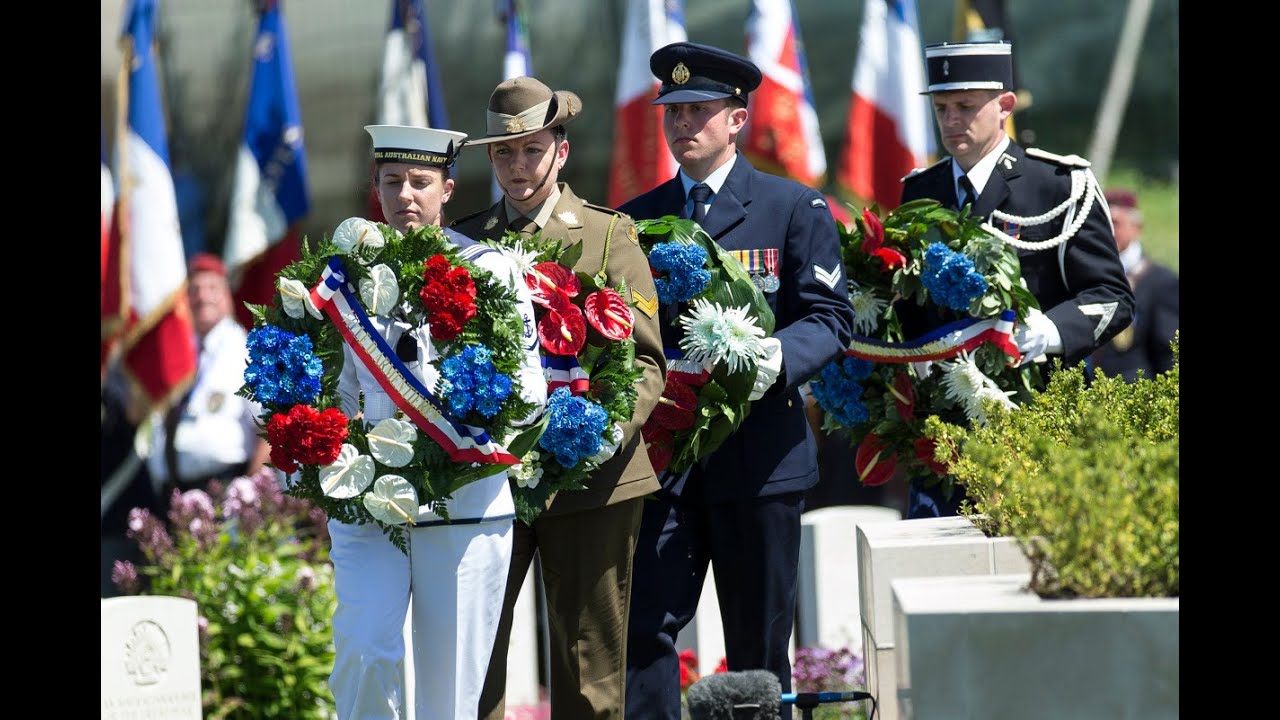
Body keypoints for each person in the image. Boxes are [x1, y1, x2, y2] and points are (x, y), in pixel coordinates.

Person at [617, 42, 857, 720]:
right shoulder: (635, 219)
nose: (682, 125)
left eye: (698, 110)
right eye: (673, 112)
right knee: (645, 634)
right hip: (665, 469)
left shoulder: (792, 208)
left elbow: (829, 318)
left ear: (738, 119)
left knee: (757, 649)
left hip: (759, 462)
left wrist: (763, 361)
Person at [450, 76, 668, 720]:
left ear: (561, 151)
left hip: (592, 481)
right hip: (491, 479)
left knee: (589, 672)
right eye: (504, 154)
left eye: (533, 150)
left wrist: (593, 439)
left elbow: (648, 361)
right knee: (475, 663)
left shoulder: (608, 237)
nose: (519, 167)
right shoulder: (464, 244)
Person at [327, 124, 546, 720]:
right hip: (372, 505)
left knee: (449, 694)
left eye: (421, 182)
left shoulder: (490, 269)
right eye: (392, 182)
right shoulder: (342, 279)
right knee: (364, 652)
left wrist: (465, 431)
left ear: (447, 189)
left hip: (464, 503)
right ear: (376, 189)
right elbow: (340, 391)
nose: (406, 196)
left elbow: (527, 394)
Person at [898, 40, 1135, 518]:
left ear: (1004, 105)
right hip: (945, 427)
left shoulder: (1058, 183)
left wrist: (1046, 333)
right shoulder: (921, 190)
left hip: (1038, 413)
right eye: (942, 108)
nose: (951, 120)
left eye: (965, 106)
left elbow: (1111, 297)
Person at [146, 252, 270, 521]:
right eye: (194, 290)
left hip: (225, 494)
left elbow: (270, 431)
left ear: (227, 296)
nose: (202, 296)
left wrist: (248, 497)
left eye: (212, 288)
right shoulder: (178, 354)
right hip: (171, 499)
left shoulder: (246, 350)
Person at [1090, 188, 1179, 381]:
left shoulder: (1161, 282)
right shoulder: (1086, 274)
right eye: (1103, 223)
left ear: (1136, 228)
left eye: (1115, 223)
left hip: (1133, 399)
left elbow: (1169, 356)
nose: (1108, 231)